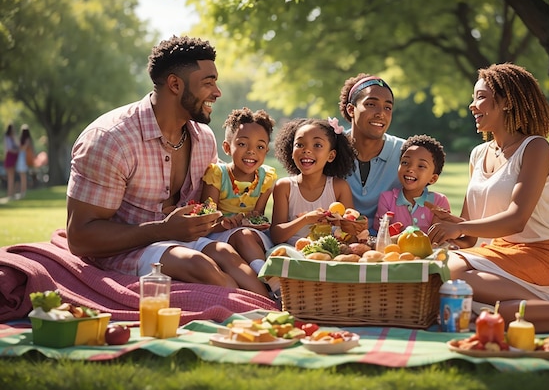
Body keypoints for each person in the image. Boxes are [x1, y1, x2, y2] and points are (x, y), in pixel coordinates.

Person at [426, 63, 549, 332]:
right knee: (502, 312)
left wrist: (459, 226)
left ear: (507, 102)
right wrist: (453, 225)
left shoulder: (534, 147)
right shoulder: (478, 154)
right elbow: (470, 236)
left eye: (481, 97)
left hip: (542, 253)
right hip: (498, 255)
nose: (472, 105)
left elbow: (516, 219)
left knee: (452, 273)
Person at [66, 35, 269, 298]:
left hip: (181, 240)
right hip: (126, 248)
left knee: (226, 254)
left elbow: (214, 197)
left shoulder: (203, 138)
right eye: (209, 83)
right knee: (199, 265)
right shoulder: (111, 140)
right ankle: (247, 313)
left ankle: (275, 310)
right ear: (175, 84)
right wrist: (163, 230)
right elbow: (80, 237)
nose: (217, 92)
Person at [201, 107, 277, 280]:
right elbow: (208, 217)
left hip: (251, 234)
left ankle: (265, 274)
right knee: (242, 235)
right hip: (220, 233)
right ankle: (265, 277)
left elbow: (258, 215)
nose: (252, 151)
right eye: (242, 144)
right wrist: (225, 223)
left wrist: (251, 222)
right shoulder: (217, 175)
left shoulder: (266, 178)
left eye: (260, 146)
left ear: (266, 151)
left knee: (246, 235)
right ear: (227, 147)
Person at [270, 117, 356, 246]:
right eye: (299, 145)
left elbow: (351, 236)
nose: (307, 150)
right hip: (292, 253)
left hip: (328, 254)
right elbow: (276, 236)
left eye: (317, 145)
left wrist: (341, 222)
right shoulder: (284, 187)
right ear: (291, 152)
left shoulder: (339, 187)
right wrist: (305, 219)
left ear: (331, 156)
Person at [339, 73, 405, 233]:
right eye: (371, 104)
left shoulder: (405, 153)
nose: (380, 113)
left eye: (388, 107)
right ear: (351, 109)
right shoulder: (331, 149)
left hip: (389, 246)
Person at [373, 134, 450, 234]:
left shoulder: (439, 202)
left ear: (433, 178)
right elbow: (382, 235)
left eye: (421, 166)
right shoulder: (387, 199)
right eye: (405, 162)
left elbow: (437, 237)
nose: (410, 169)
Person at [15, 124, 34, 199]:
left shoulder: (26, 140)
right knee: (22, 176)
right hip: (22, 158)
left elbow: (23, 148)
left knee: (23, 176)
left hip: (23, 158)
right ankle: (22, 190)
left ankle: (23, 191)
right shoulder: (26, 140)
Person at [3, 124, 19, 199]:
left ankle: (11, 193)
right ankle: (9, 193)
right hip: (10, 157)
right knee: (10, 176)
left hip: (13, 158)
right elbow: (9, 149)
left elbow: (18, 145)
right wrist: (16, 151)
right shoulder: (7, 138)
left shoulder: (13, 138)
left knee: (12, 177)